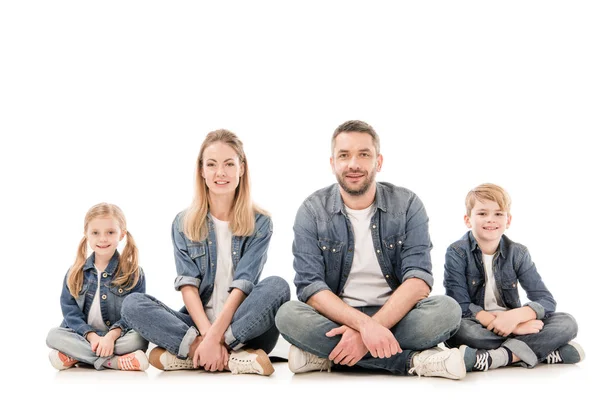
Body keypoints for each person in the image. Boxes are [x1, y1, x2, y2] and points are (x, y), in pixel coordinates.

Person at [275, 120, 466, 380]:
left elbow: (419, 281)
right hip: (338, 318)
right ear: (332, 163)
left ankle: (330, 357)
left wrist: (370, 331)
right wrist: (364, 327)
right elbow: (311, 288)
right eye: (344, 155)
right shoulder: (311, 211)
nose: (354, 164)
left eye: (364, 154)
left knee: (447, 311)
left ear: (378, 161)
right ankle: (413, 361)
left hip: (397, 316)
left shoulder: (408, 204)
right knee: (288, 316)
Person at [122, 129, 290, 376]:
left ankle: (197, 355)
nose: (220, 172)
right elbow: (188, 287)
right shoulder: (183, 222)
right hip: (198, 326)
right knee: (132, 303)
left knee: (278, 286)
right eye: (211, 164)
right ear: (201, 170)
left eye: (229, 164)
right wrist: (206, 335)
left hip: (246, 329)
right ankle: (223, 357)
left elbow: (245, 283)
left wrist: (217, 338)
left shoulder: (260, 222)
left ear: (241, 168)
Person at [444, 183, 584, 371]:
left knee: (567, 322)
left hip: (514, 320)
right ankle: (540, 350)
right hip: (479, 322)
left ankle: (499, 357)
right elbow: (460, 305)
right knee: (459, 331)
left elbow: (545, 299)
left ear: (508, 220)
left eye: (498, 214)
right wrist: (512, 328)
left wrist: (516, 317)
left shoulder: (518, 253)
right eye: (482, 213)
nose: (491, 220)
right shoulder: (457, 252)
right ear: (468, 220)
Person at [46, 203, 149, 371]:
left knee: (139, 340)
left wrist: (111, 336)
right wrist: (92, 337)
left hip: (117, 336)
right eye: (95, 233)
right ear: (86, 235)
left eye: (110, 232)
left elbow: (134, 314)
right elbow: (70, 312)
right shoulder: (75, 272)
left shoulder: (133, 272)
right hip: (84, 336)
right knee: (53, 336)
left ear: (121, 235)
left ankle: (76, 355)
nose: (102, 239)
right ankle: (112, 362)